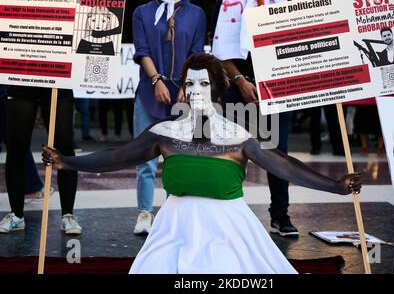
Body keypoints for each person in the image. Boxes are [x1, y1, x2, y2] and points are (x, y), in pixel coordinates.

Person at [42, 53, 362, 274]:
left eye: (204, 84)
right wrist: (66, 163)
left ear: (219, 91)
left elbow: (284, 167)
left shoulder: (239, 136)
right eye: (190, 83)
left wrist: (336, 186)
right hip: (173, 226)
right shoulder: (164, 132)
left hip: (230, 228)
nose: (195, 91)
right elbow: (116, 157)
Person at [211, 0, 301, 237]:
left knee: (277, 153)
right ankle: (225, 211)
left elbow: (301, 47)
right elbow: (219, 49)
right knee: (231, 151)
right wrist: (240, 81)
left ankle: (280, 214)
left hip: (277, 90)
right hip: (239, 87)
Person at [131, 0, 206, 234]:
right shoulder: (142, 12)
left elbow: (197, 54)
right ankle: (144, 213)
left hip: (183, 95)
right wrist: (156, 81)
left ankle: (174, 213)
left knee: (180, 156)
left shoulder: (196, 14)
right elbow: (142, 51)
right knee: (146, 157)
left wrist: (186, 86)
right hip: (149, 92)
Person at [0, 85, 80, 235]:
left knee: (64, 149)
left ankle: (68, 215)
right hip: (23, 78)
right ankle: (16, 215)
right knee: (16, 148)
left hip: (58, 78)